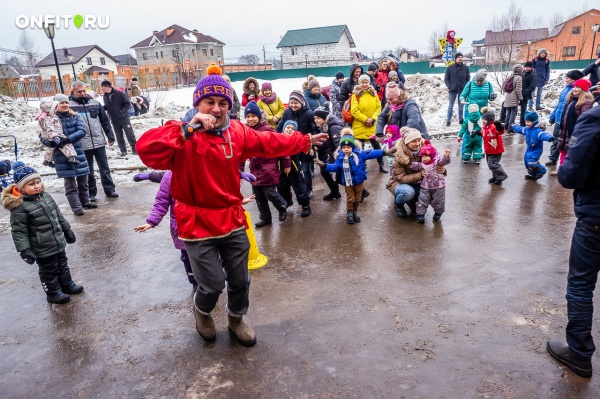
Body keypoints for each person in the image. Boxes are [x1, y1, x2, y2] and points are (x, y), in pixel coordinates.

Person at [135, 66, 328, 346]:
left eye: (222, 103)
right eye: (209, 102)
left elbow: (268, 140)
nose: (216, 109)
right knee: (212, 284)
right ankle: (202, 312)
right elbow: (146, 150)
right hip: (196, 223)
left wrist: (303, 140)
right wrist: (187, 130)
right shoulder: (180, 133)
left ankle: (236, 318)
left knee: (240, 280)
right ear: (197, 103)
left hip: (231, 217)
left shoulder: (236, 131)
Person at [548, 105, 600, 379]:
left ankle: (579, 354)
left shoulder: (595, 118)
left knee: (581, 285)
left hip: (595, 217)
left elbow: (570, 175)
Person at [2, 165, 82, 304]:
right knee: (48, 271)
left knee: (63, 264)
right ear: (20, 188)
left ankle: (67, 284)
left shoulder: (45, 196)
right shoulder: (19, 206)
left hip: (56, 241)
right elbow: (19, 230)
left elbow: (58, 214)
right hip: (41, 247)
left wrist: (67, 229)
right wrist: (24, 249)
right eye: (31, 184)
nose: (37, 186)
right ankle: (52, 292)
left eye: (38, 182)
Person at [133, 170, 198, 290]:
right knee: (187, 257)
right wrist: (151, 221)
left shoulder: (204, 169)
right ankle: (195, 282)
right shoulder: (171, 175)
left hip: (204, 225)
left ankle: (209, 280)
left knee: (207, 255)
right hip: (182, 227)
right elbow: (161, 201)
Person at [314, 130, 395, 224]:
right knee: (351, 199)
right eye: (344, 147)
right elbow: (335, 167)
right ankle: (349, 213)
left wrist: (384, 152)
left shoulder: (360, 154)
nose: (346, 149)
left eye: (348, 147)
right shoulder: (340, 157)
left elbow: (372, 153)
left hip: (359, 181)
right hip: (348, 182)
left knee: (357, 199)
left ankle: (355, 212)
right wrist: (324, 165)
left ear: (352, 147)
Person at [39, 94, 93, 216]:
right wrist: (51, 142)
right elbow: (42, 136)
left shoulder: (75, 116)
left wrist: (67, 139)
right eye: (62, 103)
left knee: (83, 181)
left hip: (77, 152)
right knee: (70, 185)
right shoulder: (49, 118)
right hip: (61, 155)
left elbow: (82, 131)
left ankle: (86, 201)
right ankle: (76, 207)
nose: (65, 105)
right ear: (56, 105)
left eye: (66, 102)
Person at [240, 102, 290, 227]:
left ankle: (282, 206)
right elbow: (241, 153)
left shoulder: (268, 130)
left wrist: (286, 163)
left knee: (270, 193)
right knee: (259, 196)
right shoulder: (245, 131)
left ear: (258, 117)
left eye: (253, 116)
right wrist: (239, 171)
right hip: (254, 170)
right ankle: (265, 217)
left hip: (269, 168)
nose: (250, 119)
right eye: (248, 116)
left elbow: (280, 146)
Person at [70, 80, 119, 201]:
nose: (82, 93)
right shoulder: (69, 106)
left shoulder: (95, 103)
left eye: (83, 91)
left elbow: (104, 121)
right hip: (83, 144)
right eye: (79, 91)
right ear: (73, 91)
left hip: (98, 141)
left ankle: (110, 189)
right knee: (88, 170)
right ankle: (91, 193)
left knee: (104, 167)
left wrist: (110, 135)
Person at [276, 90, 316, 208]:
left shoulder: (308, 113)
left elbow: (313, 130)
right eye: (291, 103)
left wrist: (311, 146)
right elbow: (280, 127)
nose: (293, 105)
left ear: (302, 102)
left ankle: (308, 191)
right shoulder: (287, 112)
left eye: (296, 103)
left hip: (304, 147)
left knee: (305, 170)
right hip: (290, 148)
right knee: (288, 178)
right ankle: (289, 200)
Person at [553, 78, 594, 176]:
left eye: (578, 87)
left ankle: (571, 172)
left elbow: (584, 119)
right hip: (565, 131)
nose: (575, 89)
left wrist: (578, 132)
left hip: (575, 133)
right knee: (563, 151)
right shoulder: (571, 100)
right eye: (574, 87)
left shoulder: (586, 102)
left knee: (572, 153)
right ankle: (562, 170)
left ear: (583, 89)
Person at [547, 70, 584, 166]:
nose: (566, 80)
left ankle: (568, 162)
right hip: (560, 119)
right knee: (557, 139)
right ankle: (553, 158)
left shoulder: (580, 91)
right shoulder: (565, 89)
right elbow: (559, 105)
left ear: (574, 79)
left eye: (568, 78)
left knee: (570, 142)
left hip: (570, 122)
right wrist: (553, 116)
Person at [409, 140, 451, 223]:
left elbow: (443, 161)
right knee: (422, 200)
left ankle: (438, 213)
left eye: (426, 156)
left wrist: (446, 156)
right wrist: (410, 163)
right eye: (422, 156)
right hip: (425, 185)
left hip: (438, 186)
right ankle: (420, 215)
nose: (423, 158)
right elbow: (417, 166)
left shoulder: (437, 162)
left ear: (431, 156)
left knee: (438, 201)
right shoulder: (422, 164)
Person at [350, 74, 384, 173]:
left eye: (366, 82)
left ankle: (381, 164)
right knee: (360, 149)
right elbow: (354, 111)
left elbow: (378, 107)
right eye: (362, 82)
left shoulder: (374, 94)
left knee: (376, 146)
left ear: (369, 83)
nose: (365, 84)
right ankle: (362, 166)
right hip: (359, 126)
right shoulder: (355, 95)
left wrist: (372, 119)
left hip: (372, 126)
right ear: (359, 83)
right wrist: (366, 120)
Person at [35, 99, 79, 166]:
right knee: (66, 144)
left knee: (52, 147)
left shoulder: (47, 116)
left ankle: (47, 160)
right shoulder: (48, 118)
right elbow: (49, 128)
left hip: (49, 134)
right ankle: (71, 157)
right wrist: (54, 136)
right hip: (54, 134)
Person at [511, 111, 554, 180]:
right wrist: (515, 126)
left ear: (534, 122)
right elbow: (520, 129)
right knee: (527, 161)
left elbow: (543, 135)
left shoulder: (538, 131)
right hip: (530, 148)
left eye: (528, 122)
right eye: (526, 122)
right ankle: (533, 174)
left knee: (531, 161)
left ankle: (542, 170)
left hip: (536, 149)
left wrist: (549, 138)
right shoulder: (527, 129)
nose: (526, 123)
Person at [100, 80, 138, 156]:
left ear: (108, 86)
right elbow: (107, 106)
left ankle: (135, 149)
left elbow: (127, 103)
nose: (102, 89)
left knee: (129, 134)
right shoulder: (105, 96)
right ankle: (123, 151)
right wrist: (101, 109)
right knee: (119, 136)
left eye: (103, 87)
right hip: (114, 119)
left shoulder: (119, 94)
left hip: (123, 118)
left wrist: (122, 112)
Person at [313, 106, 343, 200]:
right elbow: (327, 142)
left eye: (318, 118)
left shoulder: (334, 127)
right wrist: (316, 145)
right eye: (315, 118)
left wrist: (333, 157)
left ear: (324, 118)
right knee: (324, 171)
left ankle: (362, 192)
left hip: (339, 154)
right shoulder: (326, 125)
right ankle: (335, 192)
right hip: (333, 153)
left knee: (342, 175)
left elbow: (339, 145)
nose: (316, 121)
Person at [480, 108, 507, 185]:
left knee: (492, 164)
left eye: (484, 119)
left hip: (496, 150)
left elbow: (501, 131)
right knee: (490, 164)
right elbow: (483, 134)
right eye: (483, 119)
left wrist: (500, 125)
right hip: (489, 149)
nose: (483, 121)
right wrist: (477, 133)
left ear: (489, 120)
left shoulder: (494, 127)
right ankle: (495, 175)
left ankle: (501, 176)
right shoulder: (485, 127)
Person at [444, 52, 470, 126]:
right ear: (456, 58)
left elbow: (468, 78)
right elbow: (446, 79)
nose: (460, 58)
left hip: (462, 90)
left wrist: (466, 86)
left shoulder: (465, 68)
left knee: (461, 106)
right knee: (450, 106)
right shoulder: (450, 68)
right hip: (453, 90)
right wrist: (450, 86)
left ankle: (461, 120)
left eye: (461, 57)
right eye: (459, 57)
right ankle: (448, 120)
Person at [502, 64, 524, 133]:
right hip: (514, 97)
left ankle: (506, 126)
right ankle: (511, 128)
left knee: (508, 112)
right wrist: (521, 98)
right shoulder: (519, 78)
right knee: (513, 113)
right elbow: (518, 90)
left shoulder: (510, 76)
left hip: (508, 96)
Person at [520, 62, 537, 126]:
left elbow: (532, 86)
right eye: (527, 67)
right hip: (519, 93)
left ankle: (523, 123)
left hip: (525, 94)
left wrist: (525, 92)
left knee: (523, 110)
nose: (528, 68)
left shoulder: (533, 75)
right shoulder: (522, 73)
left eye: (529, 67)